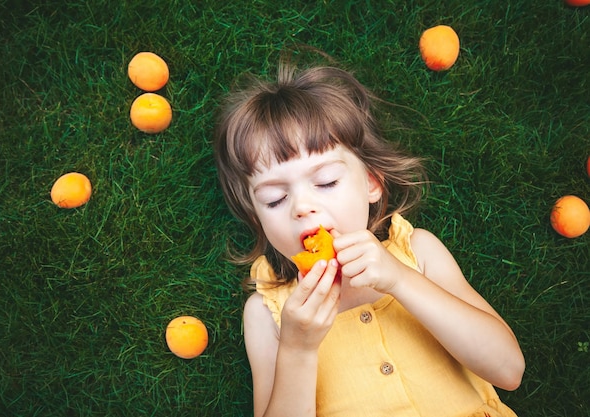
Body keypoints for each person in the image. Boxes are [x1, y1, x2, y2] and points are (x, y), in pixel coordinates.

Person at [213, 55, 525, 417]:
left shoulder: (418, 253)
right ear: (257, 216)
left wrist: (400, 279)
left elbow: (509, 370)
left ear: (371, 183)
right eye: (275, 199)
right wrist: (297, 349)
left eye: (326, 181)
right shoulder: (268, 314)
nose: (301, 207)